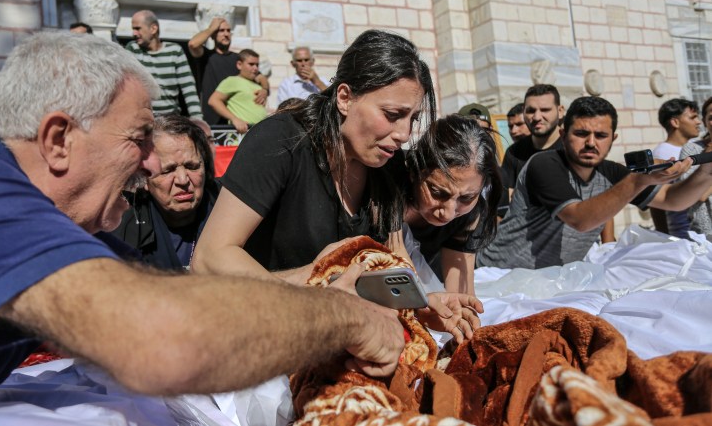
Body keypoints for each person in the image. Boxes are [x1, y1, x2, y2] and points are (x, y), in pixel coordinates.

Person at [0, 32, 405, 404]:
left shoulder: (68, 227)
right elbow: (163, 339)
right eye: (139, 138)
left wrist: (320, 285)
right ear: (59, 140)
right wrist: (347, 319)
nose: (151, 163)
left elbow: (203, 307)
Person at [192, 30, 482, 341]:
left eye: (413, 119)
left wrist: (420, 304)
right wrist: (314, 283)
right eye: (392, 115)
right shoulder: (280, 142)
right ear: (344, 97)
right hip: (251, 335)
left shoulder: (387, 166)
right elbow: (210, 258)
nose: (404, 133)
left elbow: (394, 266)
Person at [478, 96, 712, 269]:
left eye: (600, 136)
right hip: (499, 274)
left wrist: (706, 172)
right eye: (581, 134)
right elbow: (579, 219)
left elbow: (672, 201)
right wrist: (637, 181)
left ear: (613, 139)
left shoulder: (611, 171)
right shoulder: (544, 164)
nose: (591, 143)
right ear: (563, 134)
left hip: (549, 280)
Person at [403, 115, 502, 296]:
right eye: (438, 192)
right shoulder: (385, 193)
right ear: (415, 171)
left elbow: (460, 295)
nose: (448, 214)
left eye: (466, 198)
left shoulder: (470, 214)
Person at [112, 114, 219, 270]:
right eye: (167, 170)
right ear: (144, 177)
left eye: (192, 166)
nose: (183, 180)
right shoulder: (122, 229)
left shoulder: (229, 205)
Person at [188, 17, 270, 124]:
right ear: (213, 35)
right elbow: (193, 44)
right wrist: (212, 28)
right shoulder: (206, 56)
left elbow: (261, 77)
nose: (226, 34)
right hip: (211, 119)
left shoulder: (238, 59)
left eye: (228, 31)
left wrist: (264, 89)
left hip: (236, 121)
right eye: (221, 30)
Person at [127, 10, 202, 119]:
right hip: (144, 120)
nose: (134, 33)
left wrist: (198, 120)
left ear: (153, 29)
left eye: (137, 28)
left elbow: (188, 88)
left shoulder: (175, 51)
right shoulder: (133, 49)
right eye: (133, 29)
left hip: (170, 120)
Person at [649, 98, 700, 238]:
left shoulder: (697, 148)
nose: (698, 122)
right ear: (675, 122)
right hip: (685, 236)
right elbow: (656, 200)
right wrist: (664, 236)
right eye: (693, 117)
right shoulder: (663, 154)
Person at [501, 85, 565, 192]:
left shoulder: (575, 148)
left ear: (560, 111)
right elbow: (507, 197)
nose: (537, 117)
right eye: (531, 111)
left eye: (545, 110)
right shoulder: (514, 153)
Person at [207, 49, 268, 133]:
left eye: (257, 65)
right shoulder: (232, 81)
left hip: (260, 134)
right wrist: (234, 119)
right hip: (241, 136)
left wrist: (265, 90)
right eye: (251, 64)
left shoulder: (257, 84)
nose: (255, 68)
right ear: (239, 65)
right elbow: (213, 101)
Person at [678, 96, 712, 236]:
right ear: (704, 122)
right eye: (710, 117)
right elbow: (697, 194)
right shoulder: (692, 150)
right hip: (706, 237)